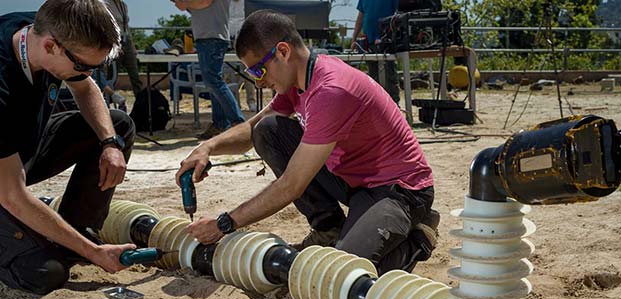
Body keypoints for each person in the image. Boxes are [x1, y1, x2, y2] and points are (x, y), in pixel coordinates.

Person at [176, 10, 440, 275]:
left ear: (283, 51)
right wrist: (207, 147)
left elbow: (291, 185)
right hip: (355, 181)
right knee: (268, 130)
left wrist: (224, 224)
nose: (258, 82)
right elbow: (252, 128)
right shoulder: (298, 78)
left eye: (258, 70)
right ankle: (329, 228)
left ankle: (418, 237)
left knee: (340, 274)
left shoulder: (331, 90)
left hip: (399, 190)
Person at [0, 0, 137, 295]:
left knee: (117, 125)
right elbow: (11, 195)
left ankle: (76, 229)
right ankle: (66, 244)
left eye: (97, 66)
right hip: (5, 180)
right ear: (50, 46)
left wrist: (109, 143)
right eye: (84, 66)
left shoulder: (44, 28)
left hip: (17, 151)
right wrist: (94, 253)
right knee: (47, 273)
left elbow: (85, 87)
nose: (89, 74)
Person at [173, 0, 245, 139]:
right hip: (208, 36)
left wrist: (185, 4)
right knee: (213, 83)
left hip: (212, 37)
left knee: (213, 81)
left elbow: (205, 2)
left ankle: (238, 122)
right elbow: (200, 8)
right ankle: (220, 124)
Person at [350, 0, 400, 105]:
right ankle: (376, 105)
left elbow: (399, 12)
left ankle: (394, 105)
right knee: (373, 76)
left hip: (386, 39)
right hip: (369, 40)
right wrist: (354, 38)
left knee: (389, 72)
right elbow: (361, 16)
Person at [104, 0, 144, 96]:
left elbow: (126, 26)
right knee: (112, 75)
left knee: (134, 74)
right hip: (114, 41)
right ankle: (108, 102)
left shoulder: (123, 5)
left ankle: (141, 101)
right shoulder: (106, 3)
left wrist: (132, 46)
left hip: (126, 40)